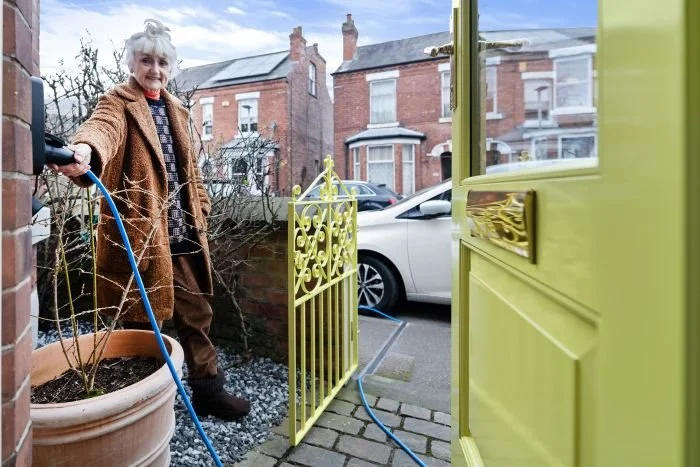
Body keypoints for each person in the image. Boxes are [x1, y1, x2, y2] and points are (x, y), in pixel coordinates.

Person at [48, 19, 251, 421]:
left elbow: (193, 172)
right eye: (146, 60)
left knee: (197, 316)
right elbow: (101, 130)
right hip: (143, 237)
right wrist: (86, 150)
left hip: (186, 236)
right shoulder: (117, 102)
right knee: (141, 327)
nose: (154, 69)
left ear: (171, 67)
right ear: (133, 63)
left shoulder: (178, 109)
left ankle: (208, 392)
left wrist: (203, 213)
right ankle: (140, 406)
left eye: (161, 62)